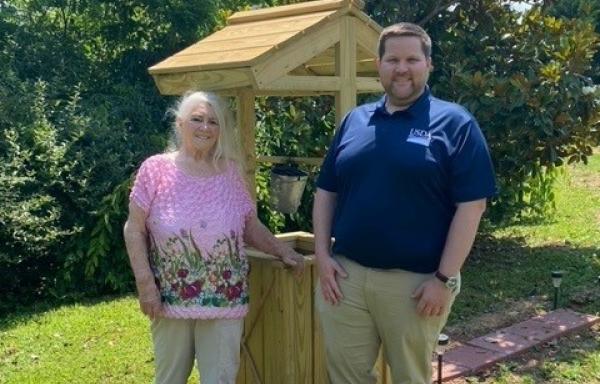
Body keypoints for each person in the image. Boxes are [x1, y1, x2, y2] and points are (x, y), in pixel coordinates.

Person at [313, 22, 496, 384]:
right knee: (344, 376)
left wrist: (444, 279)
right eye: (392, 59)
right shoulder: (355, 121)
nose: (402, 68)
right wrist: (322, 256)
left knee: (410, 378)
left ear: (428, 65)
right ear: (379, 65)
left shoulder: (455, 123)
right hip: (346, 278)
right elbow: (326, 192)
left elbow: (471, 207)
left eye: (412, 59)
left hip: (415, 284)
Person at [123, 91, 304, 384]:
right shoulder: (155, 169)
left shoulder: (231, 172)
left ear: (221, 130)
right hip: (169, 297)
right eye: (197, 119)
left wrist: (282, 251)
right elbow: (134, 229)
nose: (205, 127)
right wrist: (146, 285)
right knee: (169, 379)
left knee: (220, 379)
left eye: (213, 121)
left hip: (224, 297)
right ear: (180, 123)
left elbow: (249, 226)